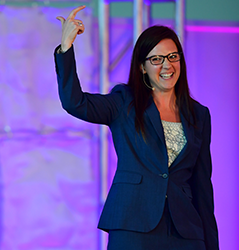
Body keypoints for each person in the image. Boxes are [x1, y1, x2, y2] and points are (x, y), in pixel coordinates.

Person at [54, 6, 219, 250]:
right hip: (133, 226)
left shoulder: (199, 115)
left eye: (173, 56)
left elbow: (202, 185)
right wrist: (66, 48)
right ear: (142, 67)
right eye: (156, 59)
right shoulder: (124, 102)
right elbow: (75, 103)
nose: (167, 66)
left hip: (186, 231)